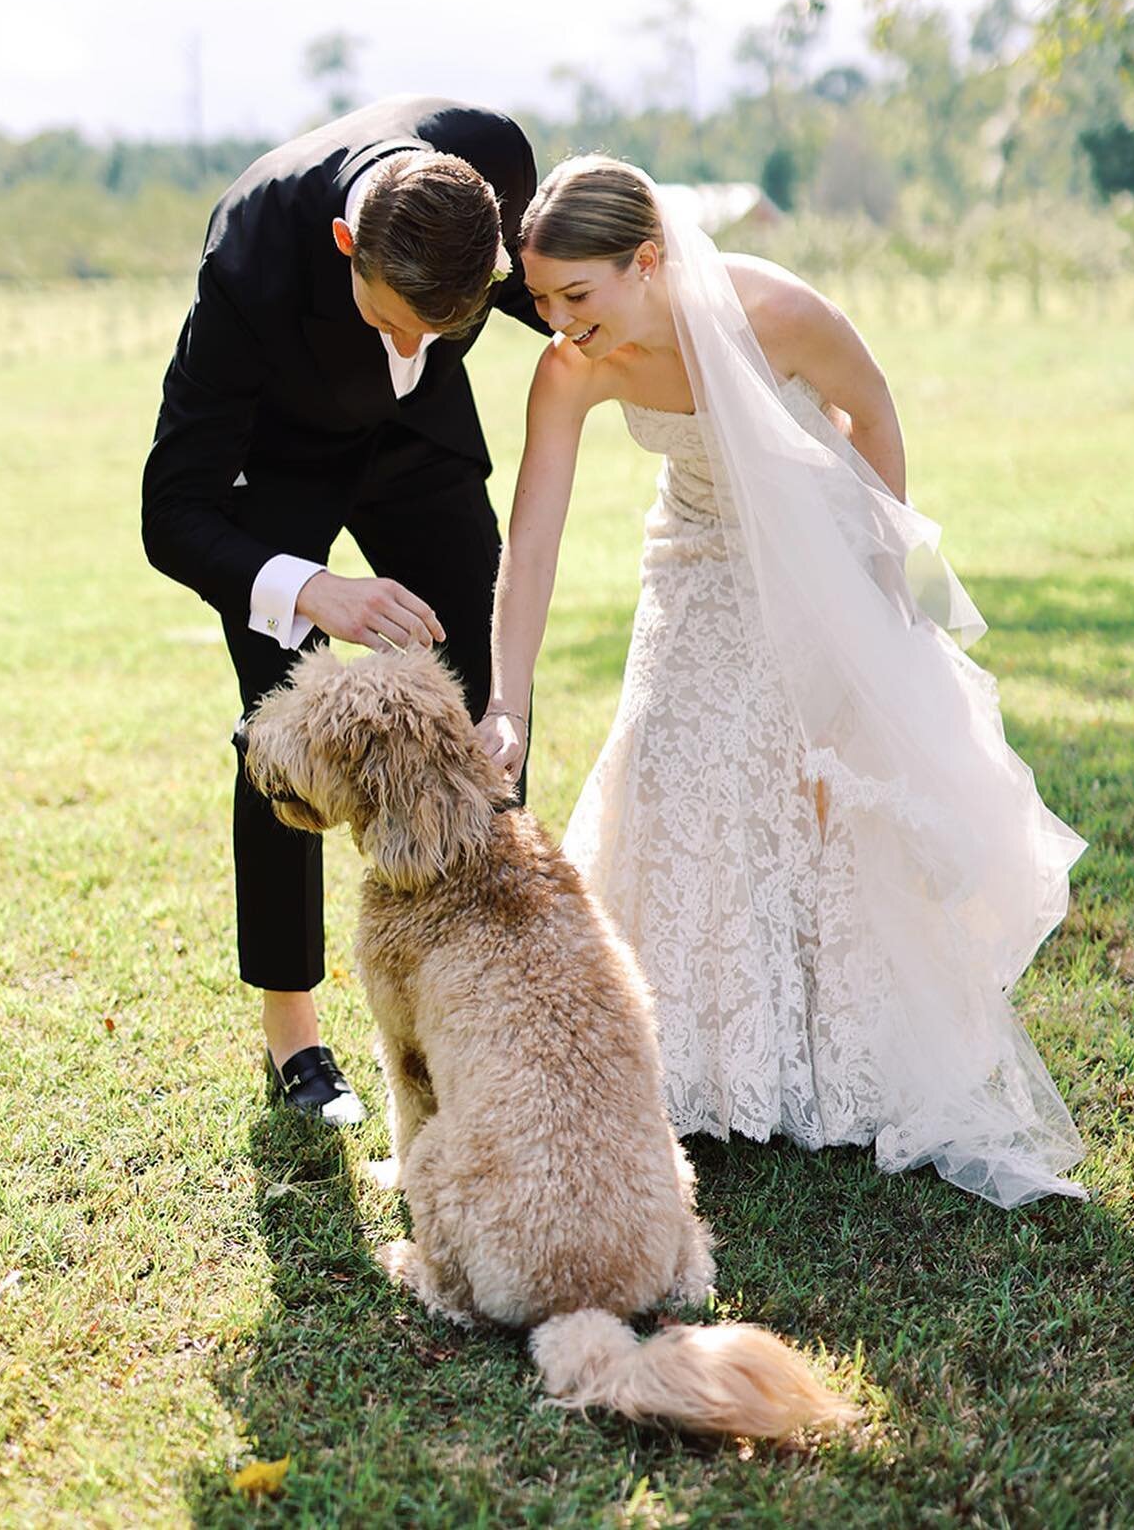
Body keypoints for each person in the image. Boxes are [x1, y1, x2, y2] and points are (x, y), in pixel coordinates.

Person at [480, 156, 1086, 1207]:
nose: (557, 320)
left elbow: (872, 409)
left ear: (648, 259)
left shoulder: (780, 314)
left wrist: (876, 575)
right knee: (670, 770)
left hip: (813, 554)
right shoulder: (575, 365)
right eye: (539, 299)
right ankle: (690, 1059)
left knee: (809, 786)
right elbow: (530, 544)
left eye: (576, 295)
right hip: (694, 557)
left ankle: (832, 1052)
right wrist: (506, 703)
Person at [143, 97, 543, 1124]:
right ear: (341, 247)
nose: (410, 345)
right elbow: (171, 511)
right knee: (281, 726)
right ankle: (297, 1039)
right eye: (389, 320)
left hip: (421, 458)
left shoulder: (489, 157)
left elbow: (572, 293)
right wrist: (314, 590)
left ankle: (491, 987)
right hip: (279, 473)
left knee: (491, 689)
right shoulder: (253, 259)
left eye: (437, 328)